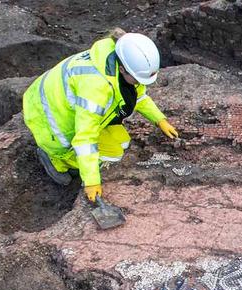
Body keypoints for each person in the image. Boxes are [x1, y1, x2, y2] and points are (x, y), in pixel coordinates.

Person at [22, 29, 179, 202]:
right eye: (137, 79)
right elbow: (85, 139)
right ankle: (55, 160)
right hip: (49, 119)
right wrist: (91, 181)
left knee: (123, 142)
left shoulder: (118, 59)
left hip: (64, 106)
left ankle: (74, 161)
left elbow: (138, 95)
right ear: (122, 69)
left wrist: (159, 119)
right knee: (112, 155)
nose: (141, 84)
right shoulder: (95, 89)